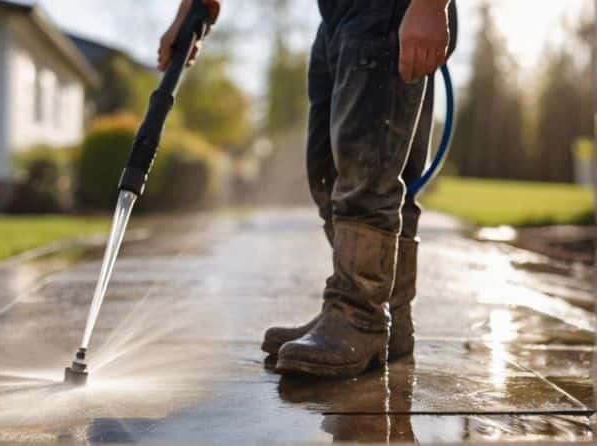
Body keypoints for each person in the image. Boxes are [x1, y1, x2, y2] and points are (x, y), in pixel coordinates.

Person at [159, 0, 457, 379]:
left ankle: (359, 316)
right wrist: (192, 10)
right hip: (336, 14)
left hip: (393, 8)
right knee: (327, 172)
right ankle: (388, 321)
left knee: (366, 174)